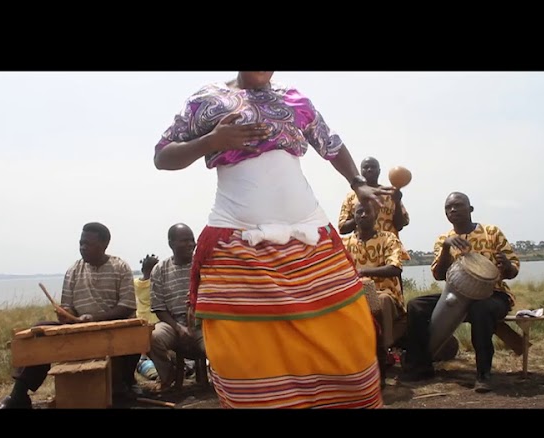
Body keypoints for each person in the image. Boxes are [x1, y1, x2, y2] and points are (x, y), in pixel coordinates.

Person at [153, 71, 394, 408]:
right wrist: (211, 142)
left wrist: (357, 182)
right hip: (237, 241)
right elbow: (162, 156)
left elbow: (330, 143)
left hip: (311, 239)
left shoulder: (293, 97)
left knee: (350, 338)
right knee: (243, 354)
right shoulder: (205, 99)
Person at [0, 222, 139, 408]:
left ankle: (123, 384)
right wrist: (67, 315)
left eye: (88, 244)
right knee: (38, 333)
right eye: (81, 243)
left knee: (137, 332)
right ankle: (19, 395)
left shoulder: (120, 267)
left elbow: (126, 306)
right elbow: (67, 307)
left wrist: (94, 319)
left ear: (105, 244)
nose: (83, 248)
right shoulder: (73, 270)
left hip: (111, 326)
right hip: (77, 329)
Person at [400, 192, 520, 393]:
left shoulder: (491, 232)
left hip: (494, 295)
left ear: (471, 209)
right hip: (456, 295)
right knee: (416, 306)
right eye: (448, 208)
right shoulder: (444, 239)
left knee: (481, 308)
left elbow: (512, 270)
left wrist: (507, 266)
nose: (452, 210)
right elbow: (439, 275)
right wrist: (446, 248)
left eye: (458, 205)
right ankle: (420, 366)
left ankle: (483, 375)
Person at [342, 201, 406, 383]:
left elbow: (395, 267)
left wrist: (362, 271)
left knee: (382, 301)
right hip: (354, 294)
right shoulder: (345, 242)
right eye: (359, 212)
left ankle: (384, 353)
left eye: (367, 212)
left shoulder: (389, 238)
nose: (363, 215)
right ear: (353, 217)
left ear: (376, 215)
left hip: (385, 292)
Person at [148, 223, 206, 391]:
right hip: (173, 324)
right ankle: (168, 377)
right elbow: (158, 307)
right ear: (171, 243)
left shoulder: (203, 265)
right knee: (152, 337)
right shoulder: (160, 270)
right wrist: (178, 327)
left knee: (217, 346)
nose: (191, 244)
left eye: (192, 240)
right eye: (184, 240)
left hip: (202, 323)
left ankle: (221, 382)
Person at [338, 156, 411, 262]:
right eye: (366, 167)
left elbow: (400, 225)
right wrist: (362, 216)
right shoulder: (352, 197)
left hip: (388, 251)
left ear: (379, 171)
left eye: (373, 167)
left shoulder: (390, 193)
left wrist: (397, 202)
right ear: (360, 171)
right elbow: (342, 228)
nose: (369, 170)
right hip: (361, 253)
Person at [134, 254, 160, 324]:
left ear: (142, 270)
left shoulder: (135, 283)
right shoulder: (156, 283)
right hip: (155, 318)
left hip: (140, 316)